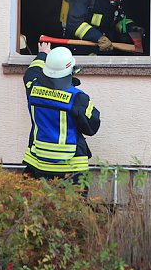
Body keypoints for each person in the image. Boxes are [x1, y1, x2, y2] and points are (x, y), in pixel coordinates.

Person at [22, 42, 100, 188]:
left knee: (38, 207)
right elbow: (92, 128)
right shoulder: (78, 98)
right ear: (71, 71)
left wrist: (43, 54)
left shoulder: (33, 88)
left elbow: (30, 74)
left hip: (38, 164)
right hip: (71, 168)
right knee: (73, 208)